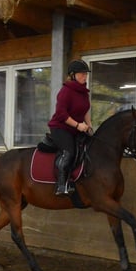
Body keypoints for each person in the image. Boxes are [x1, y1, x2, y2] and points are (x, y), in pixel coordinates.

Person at [47, 59, 93, 195]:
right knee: (69, 152)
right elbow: (61, 114)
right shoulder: (65, 91)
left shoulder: (84, 92)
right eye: (81, 74)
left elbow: (85, 110)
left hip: (76, 128)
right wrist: (78, 125)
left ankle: (75, 180)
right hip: (60, 128)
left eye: (86, 74)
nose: (85, 77)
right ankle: (61, 185)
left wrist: (89, 125)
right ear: (72, 75)